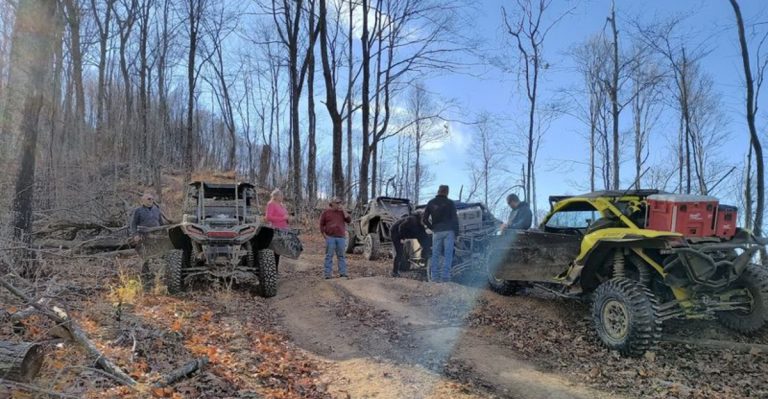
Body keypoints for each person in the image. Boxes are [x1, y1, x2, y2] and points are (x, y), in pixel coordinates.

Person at [422, 185, 459, 282]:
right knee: (448, 254)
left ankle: (434, 277)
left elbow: (424, 219)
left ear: (438, 191)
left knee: (435, 254)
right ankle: (445, 277)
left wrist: (432, 228)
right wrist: (457, 232)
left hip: (437, 231)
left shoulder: (431, 203)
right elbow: (455, 219)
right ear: (447, 192)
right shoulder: (450, 203)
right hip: (449, 231)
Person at [390, 213, 431, 278]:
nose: (425, 224)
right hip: (396, 233)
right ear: (421, 218)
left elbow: (423, 236)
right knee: (399, 253)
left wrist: (427, 247)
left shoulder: (420, 225)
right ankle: (395, 272)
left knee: (422, 235)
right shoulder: (411, 220)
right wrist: (402, 238)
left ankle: (425, 255)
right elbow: (401, 227)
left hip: (409, 233)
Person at [319, 197, 351, 279]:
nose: (338, 204)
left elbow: (349, 220)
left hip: (341, 237)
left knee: (341, 256)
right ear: (332, 203)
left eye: (339, 203)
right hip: (330, 237)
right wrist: (324, 235)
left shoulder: (342, 212)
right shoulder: (326, 213)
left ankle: (343, 273)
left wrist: (344, 210)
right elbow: (321, 225)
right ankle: (327, 274)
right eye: (337, 203)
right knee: (329, 256)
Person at [265, 188, 289, 268]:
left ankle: (276, 270)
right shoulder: (271, 204)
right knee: (275, 251)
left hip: (283, 230)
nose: (282, 196)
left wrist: (288, 218)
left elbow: (285, 216)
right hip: (275, 229)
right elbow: (268, 217)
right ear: (275, 196)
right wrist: (283, 218)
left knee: (279, 251)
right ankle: (273, 271)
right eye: (280, 195)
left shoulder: (282, 205)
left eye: (282, 195)